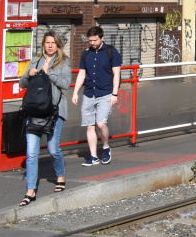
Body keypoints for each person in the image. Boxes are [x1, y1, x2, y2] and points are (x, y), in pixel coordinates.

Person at [17, 31, 70, 206]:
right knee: (32, 153)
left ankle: (60, 176)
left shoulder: (63, 62)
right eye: (47, 42)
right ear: (43, 44)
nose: (50, 46)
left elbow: (65, 84)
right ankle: (30, 190)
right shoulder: (35, 61)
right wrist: (29, 74)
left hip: (54, 112)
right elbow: (22, 83)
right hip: (34, 111)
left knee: (53, 149)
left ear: (58, 45)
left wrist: (49, 73)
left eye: (53, 43)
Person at [71, 26, 121, 166]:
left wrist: (114, 94)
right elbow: (82, 73)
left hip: (105, 93)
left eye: (95, 40)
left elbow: (116, 74)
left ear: (101, 38)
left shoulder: (111, 51)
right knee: (89, 126)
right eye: (90, 40)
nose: (92, 43)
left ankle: (105, 147)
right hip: (88, 93)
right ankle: (93, 156)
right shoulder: (86, 53)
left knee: (100, 123)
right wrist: (75, 92)